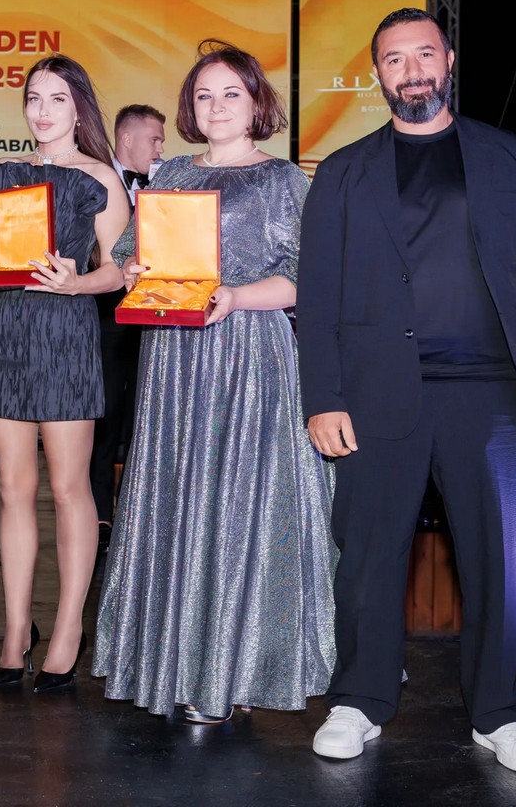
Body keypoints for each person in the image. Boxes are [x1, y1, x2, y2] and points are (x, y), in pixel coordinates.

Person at [296, 8, 516, 773]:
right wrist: (322, 396)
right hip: (374, 394)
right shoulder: (343, 172)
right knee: (366, 559)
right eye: (395, 59)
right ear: (377, 74)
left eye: (424, 54)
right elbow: (317, 296)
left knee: (500, 563)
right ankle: (360, 700)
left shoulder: (514, 158)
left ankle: (499, 712)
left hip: (494, 397)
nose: (412, 70)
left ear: (448, 60)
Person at [93, 41, 335, 723]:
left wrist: (234, 297)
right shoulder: (169, 172)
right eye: (204, 95)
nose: (217, 106)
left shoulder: (285, 180)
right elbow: (129, 259)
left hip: (248, 354)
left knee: (238, 508)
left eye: (231, 93)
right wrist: (135, 271)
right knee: (177, 502)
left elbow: (304, 279)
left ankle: (231, 672)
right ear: (189, 108)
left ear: (257, 103)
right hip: (174, 359)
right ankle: (171, 665)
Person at [0, 55, 129, 693]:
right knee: (12, 489)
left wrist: (77, 283)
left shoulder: (98, 177)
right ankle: (15, 630)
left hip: (67, 336)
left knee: (70, 489)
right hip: (5, 335)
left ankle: (69, 630)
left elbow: (122, 269)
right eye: (33, 98)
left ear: (79, 108)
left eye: (57, 99)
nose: (43, 111)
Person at [92, 104, 168, 550]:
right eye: (154, 139)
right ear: (126, 139)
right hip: (103, 319)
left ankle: (142, 521)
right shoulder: (94, 180)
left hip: (154, 323)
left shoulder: (173, 183)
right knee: (102, 420)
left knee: (148, 420)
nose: (161, 148)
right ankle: (100, 517)